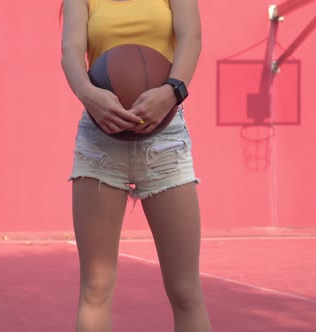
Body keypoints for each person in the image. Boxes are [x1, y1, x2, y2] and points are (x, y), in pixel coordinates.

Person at [60, 0, 211, 331]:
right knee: (95, 289)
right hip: (101, 137)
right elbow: (70, 49)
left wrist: (172, 91)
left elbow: (192, 37)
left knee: (186, 291)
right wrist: (88, 94)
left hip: (165, 139)